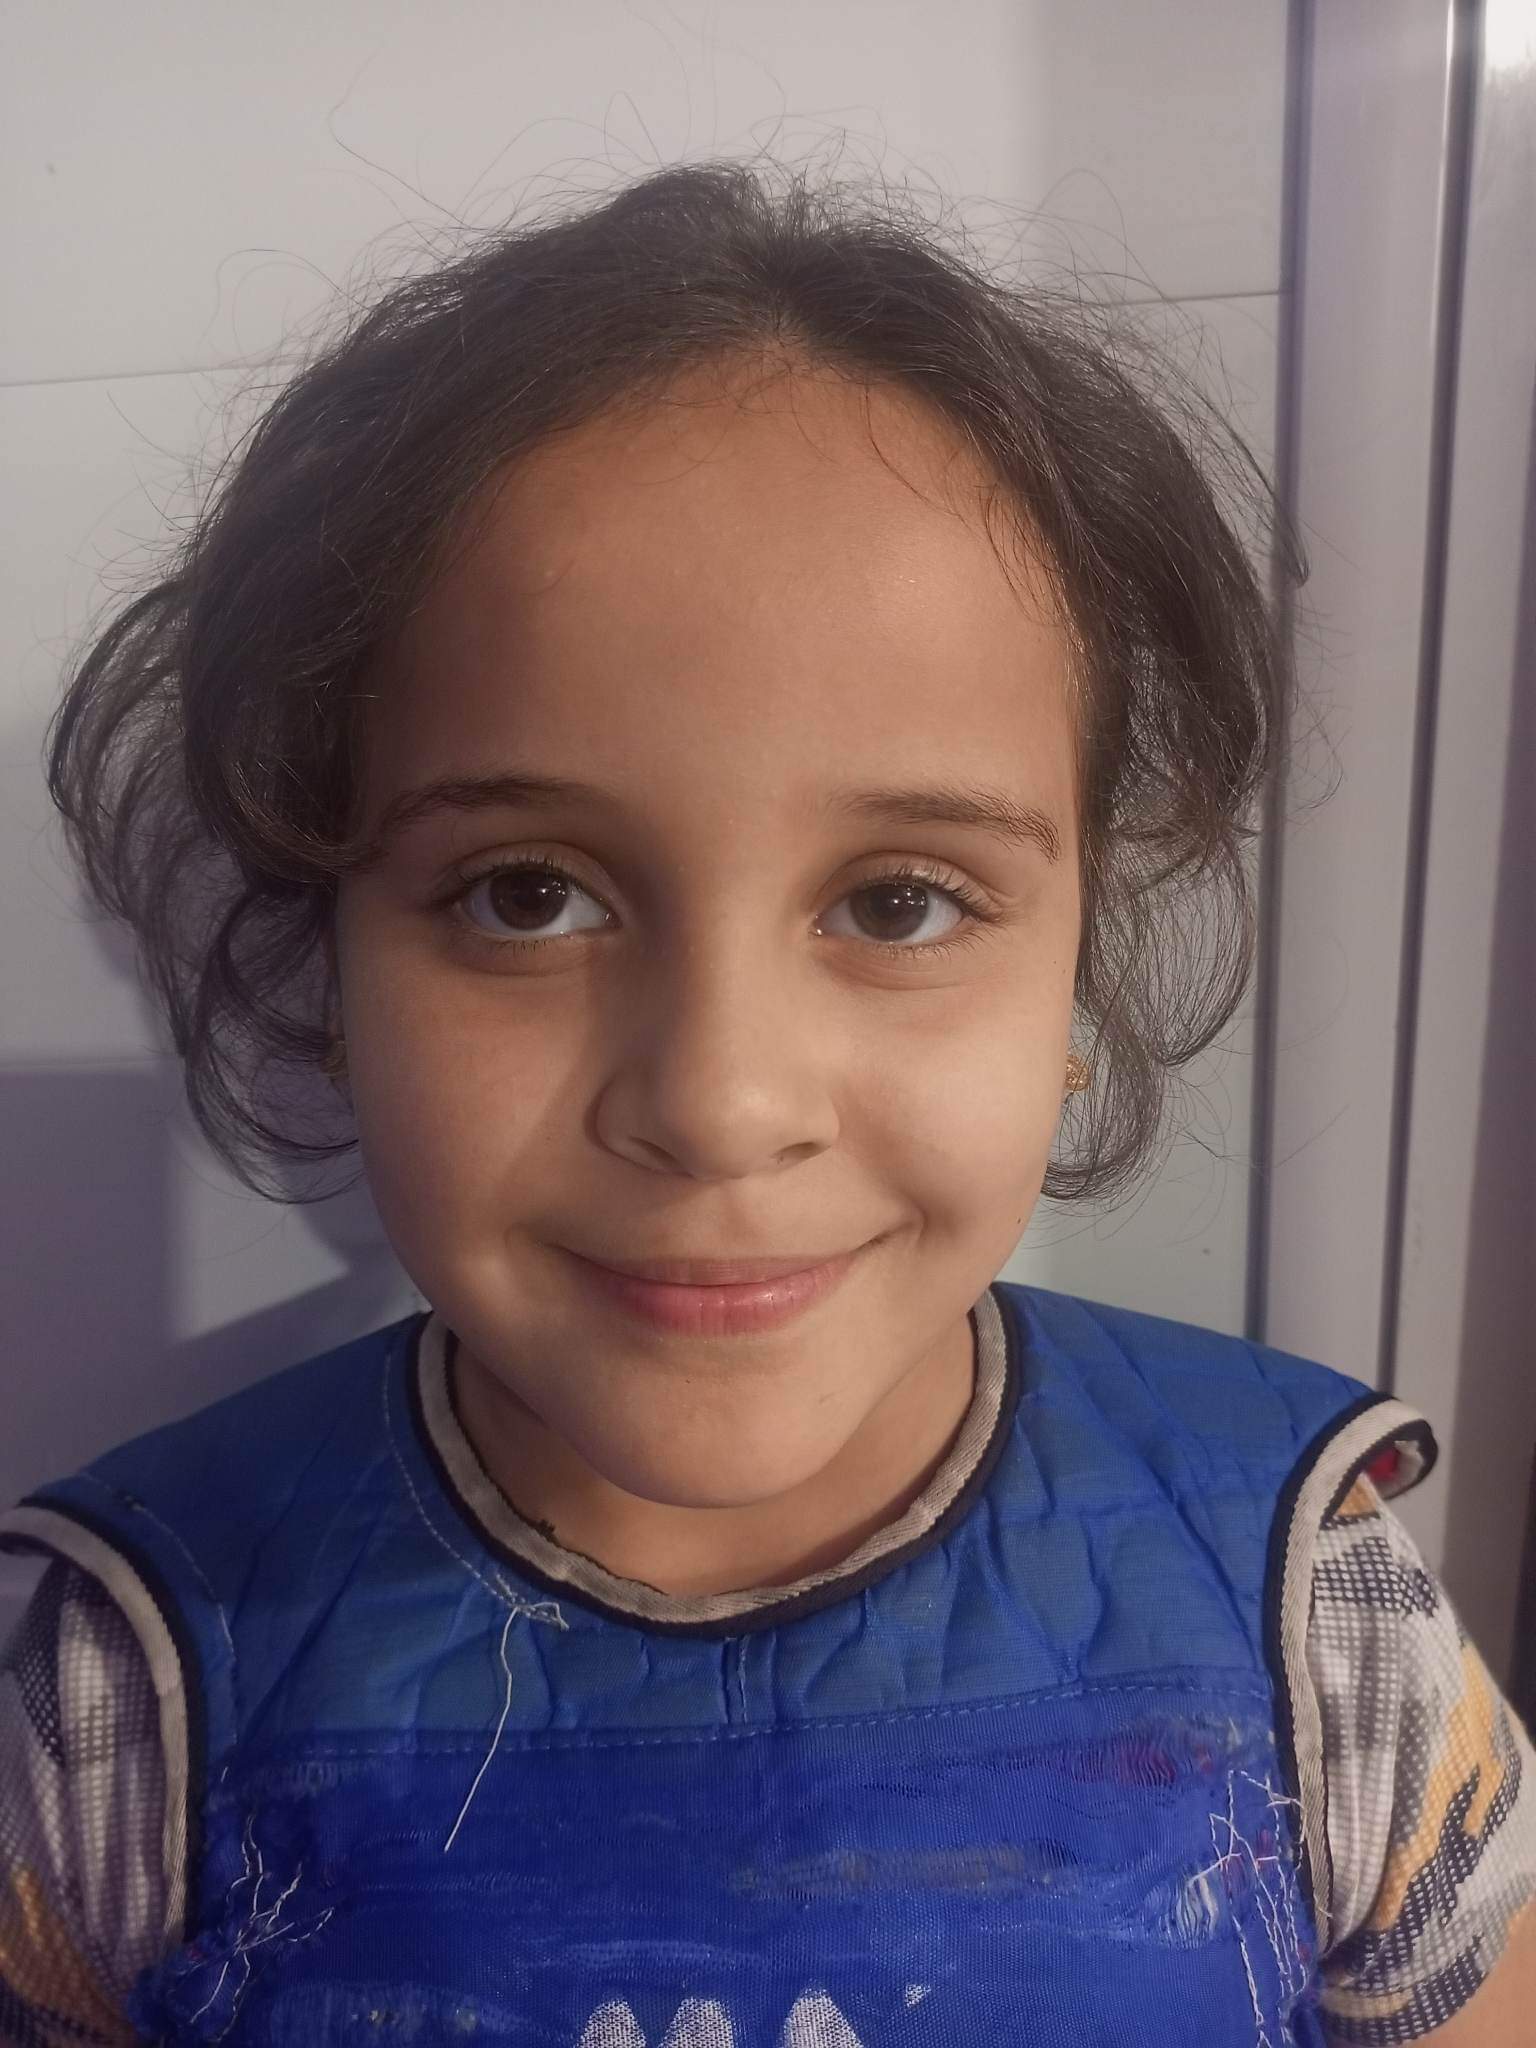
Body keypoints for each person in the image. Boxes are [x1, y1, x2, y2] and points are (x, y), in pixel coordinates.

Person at [0, 158, 1531, 2048]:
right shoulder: (135, 1688)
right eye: (527, 894)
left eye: (899, 904)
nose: (722, 1105)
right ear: (330, 962)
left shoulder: (1312, 1616)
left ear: (1079, 974)